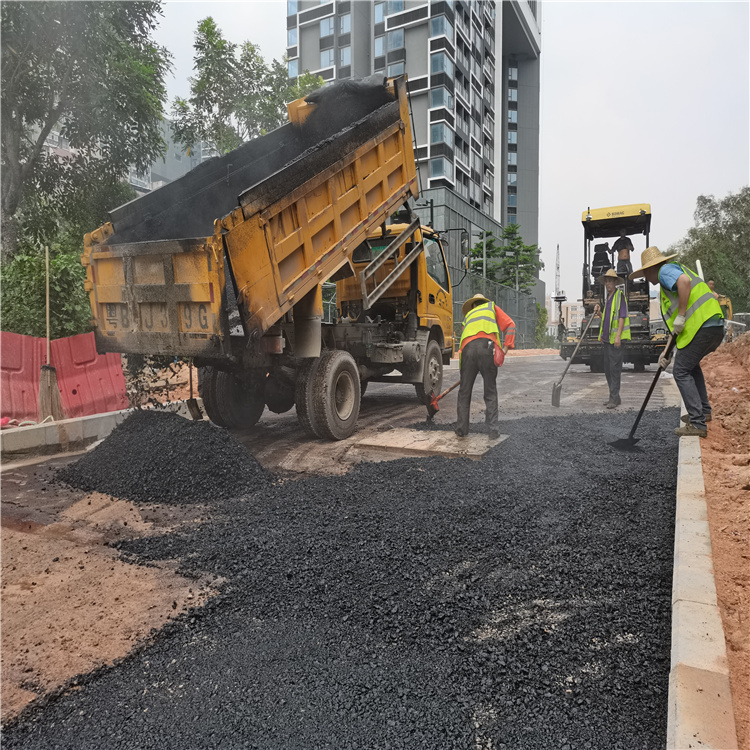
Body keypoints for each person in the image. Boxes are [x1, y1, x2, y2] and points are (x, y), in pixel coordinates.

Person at [630, 247, 724, 437]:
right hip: (712, 325)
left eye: (645, 273)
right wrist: (666, 353)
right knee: (691, 366)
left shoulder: (665, 271)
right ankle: (703, 412)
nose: (646, 278)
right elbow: (676, 328)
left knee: (681, 370)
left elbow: (684, 282)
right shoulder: (668, 284)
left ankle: (697, 423)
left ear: (651, 269)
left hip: (703, 325)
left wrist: (681, 315)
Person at [455, 293, 515, 439]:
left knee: (464, 392)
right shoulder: (491, 308)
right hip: (486, 348)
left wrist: (463, 372)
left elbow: (463, 342)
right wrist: (506, 347)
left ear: (474, 305)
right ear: (483, 302)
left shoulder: (468, 316)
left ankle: (462, 429)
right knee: (490, 391)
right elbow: (511, 325)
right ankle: (493, 430)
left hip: (468, 352)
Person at [593, 268, 631, 409]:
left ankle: (613, 399)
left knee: (615, 369)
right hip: (607, 340)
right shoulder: (608, 299)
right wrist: (599, 313)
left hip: (616, 340)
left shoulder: (619, 296)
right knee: (608, 369)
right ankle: (615, 397)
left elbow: (622, 317)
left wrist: (618, 336)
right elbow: (607, 319)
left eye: (610, 281)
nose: (608, 283)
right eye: (606, 281)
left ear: (615, 282)